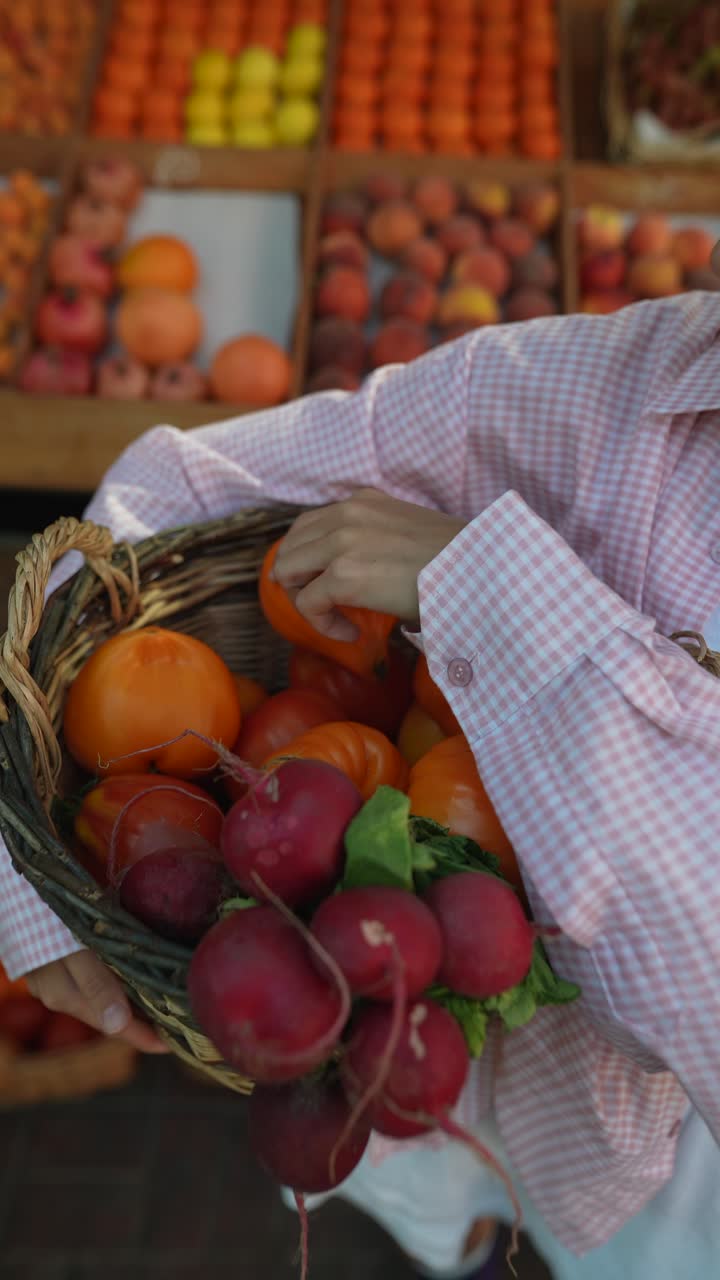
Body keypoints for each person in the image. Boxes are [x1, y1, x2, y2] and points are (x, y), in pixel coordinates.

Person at [1, 253, 720, 1279]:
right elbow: (184, 487)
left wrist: (489, 585)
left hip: (693, 1188)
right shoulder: (623, 385)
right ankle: (469, 1246)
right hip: (441, 1053)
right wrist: (23, 865)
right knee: (454, 1195)